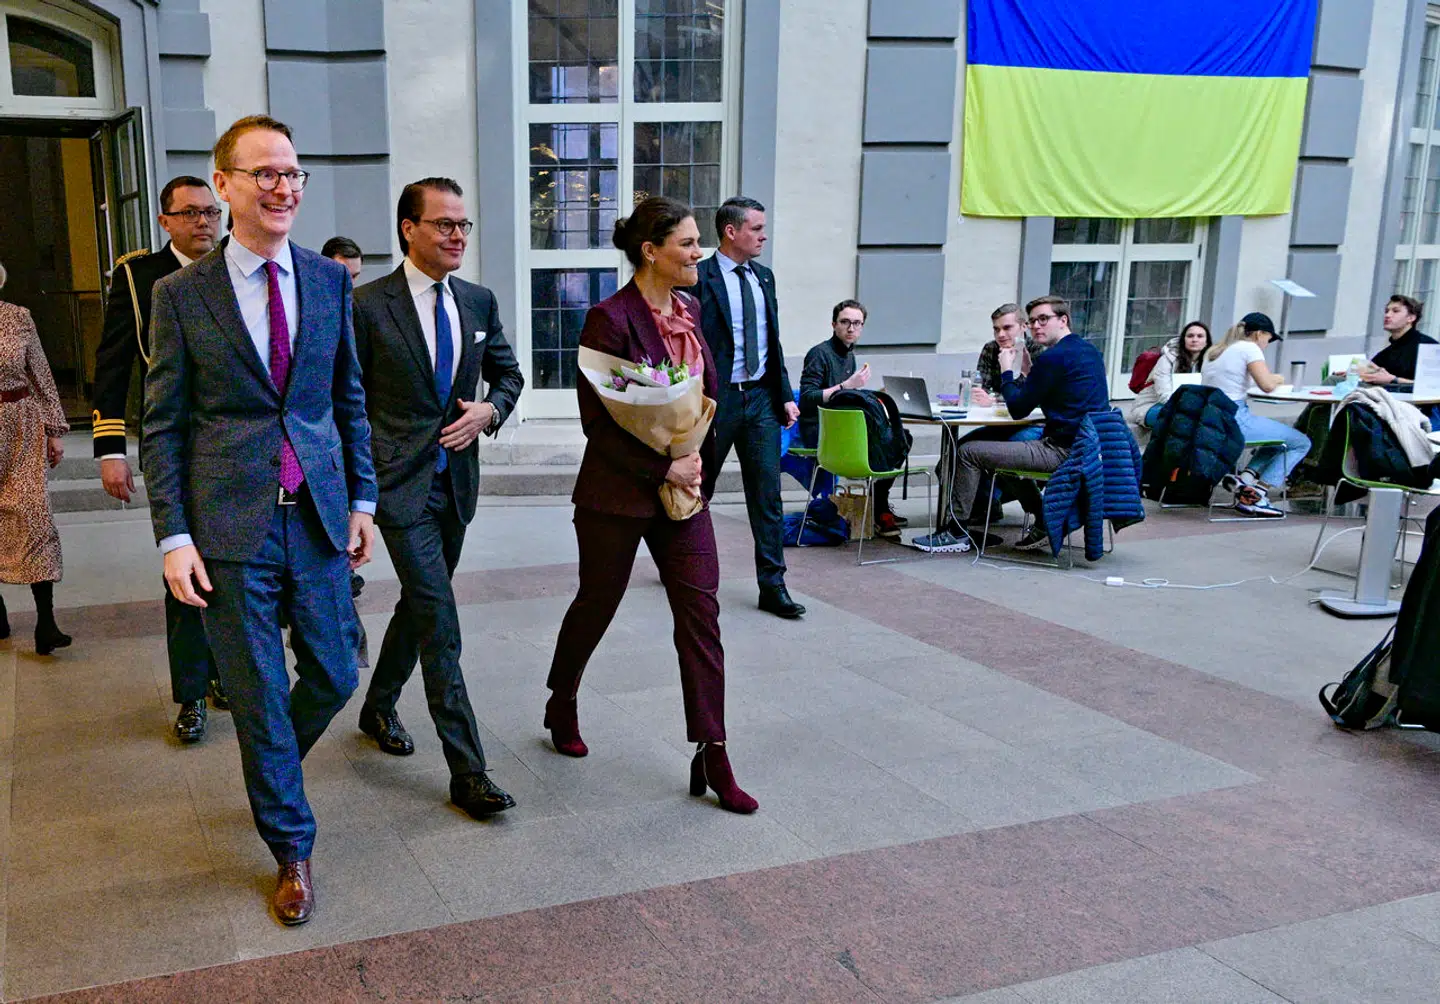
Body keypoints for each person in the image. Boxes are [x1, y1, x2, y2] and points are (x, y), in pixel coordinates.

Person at [143, 115, 378, 926]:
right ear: (224, 184)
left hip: (315, 515)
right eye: (265, 173)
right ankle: (291, 848)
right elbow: (163, 424)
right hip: (229, 528)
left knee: (337, 672)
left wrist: (362, 500)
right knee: (258, 691)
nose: (284, 188)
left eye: (293, 173)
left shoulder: (328, 281)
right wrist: (174, 536)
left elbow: (346, 400)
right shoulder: (180, 295)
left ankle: (271, 759)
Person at [545, 196, 756, 815]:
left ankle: (713, 750)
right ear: (651, 251)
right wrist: (664, 464)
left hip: (685, 494)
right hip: (618, 495)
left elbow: (703, 396)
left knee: (701, 616)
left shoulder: (691, 309)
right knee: (597, 603)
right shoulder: (608, 320)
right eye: (687, 243)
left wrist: (692, 466)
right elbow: (599, 422)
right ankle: (563, 696)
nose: (698, 253)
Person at [352, 178, 522, 819]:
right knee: (440, 618)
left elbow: (509, 374)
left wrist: (489, 410)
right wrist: (356, 492)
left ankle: (377, 705)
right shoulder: (366, 305)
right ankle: (468, 771)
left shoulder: (477, 301)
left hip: (456, 483)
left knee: (422, 605)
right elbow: (346, 401)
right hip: (397, 487)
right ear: (409, 229)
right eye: (444, 224)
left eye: (463, 225)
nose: (457, 236)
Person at [92, 175, 226, 742]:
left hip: (236, 447)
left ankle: (223, 671)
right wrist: (111, 449)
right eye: (189, 213)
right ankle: (192, 692)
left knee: (235, 567)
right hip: (176, 444)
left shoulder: (237, 268)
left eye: (210, 212)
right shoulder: (140, 276)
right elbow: (113, 364)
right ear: (165, 221)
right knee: (185, 565)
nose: (203, 222)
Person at [915, 295, 1110, 553]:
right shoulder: (1088, 351)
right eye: (1034, 320)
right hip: (1087, 447)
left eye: (1044, 319)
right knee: (1006, 450)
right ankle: (1041, 517)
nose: (1037, 326)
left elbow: (1018, 409)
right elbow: (1055, 393)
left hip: (1062, 449)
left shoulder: (1052, 357)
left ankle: (956, 532)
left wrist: (1007, 371)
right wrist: (1029, 374)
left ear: (1063, 320)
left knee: (967, 452)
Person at [688, 197, 803, 620]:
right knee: (699, 489)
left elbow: (773, 341)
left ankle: (773, 586)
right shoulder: (699, 278)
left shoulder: (764, 278)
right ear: (731, 231)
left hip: (761, 401)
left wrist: (785, 395)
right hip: (717, 402)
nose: (763, 236)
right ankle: (684, 568)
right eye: (756, 229)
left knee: (767, 495)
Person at [0, 260, 72, 655]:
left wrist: (54, 430)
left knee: (34, 512)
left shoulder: (19, 317)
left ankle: (47, 622)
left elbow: (41, 373)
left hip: (21, 424)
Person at [797, 299, 904, 537]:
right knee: (884, 442)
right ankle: (879, 510)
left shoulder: (849, 355)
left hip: (843, 426)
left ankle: (879, 503)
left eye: (857, 323)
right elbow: (807, 398)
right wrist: (847, 385)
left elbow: (845, 398)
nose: (851, 328)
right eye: (845, 322)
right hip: (821, 428)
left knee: (901, 438)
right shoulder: (820, 354)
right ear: (834, 324)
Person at [1201, 311, 1310, 517]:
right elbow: (1267, 385)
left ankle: (1246, 479)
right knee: (1301, 442)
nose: (1267, 345)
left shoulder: (1217, 351)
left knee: (1277, 439)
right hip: (1235, 420)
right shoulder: (1249, 348)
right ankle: (1258, 495)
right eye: (1268, 339)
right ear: (1259, 334)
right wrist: (1278, 378)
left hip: (1212, 419)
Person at [1129, 321, 1211, 433]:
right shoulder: (1167, 359)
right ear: (1183, 339)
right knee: (1184, 419)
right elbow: (1164, 395)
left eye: (1200, 336)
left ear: (1207, 341)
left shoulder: (1210, 362)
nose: (1194, 339)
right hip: (1152, 406)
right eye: (1190, 336)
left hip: (1191, 410)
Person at [1363, 294, 1436, 387]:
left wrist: (1394, 380)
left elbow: (1433, 385)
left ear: (1411, 318)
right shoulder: (1386, 352)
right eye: (1386, 311)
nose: (1387, 315)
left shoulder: (1428, 346)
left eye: (1395, 311)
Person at [973, 303, 1043, 398]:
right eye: (996, 329)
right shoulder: (990, 348)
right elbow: (982, 389)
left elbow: (1035, 394)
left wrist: (994, 399)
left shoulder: (1037, 348)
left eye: (1007, 328)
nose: (1000, 334)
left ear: (1024, 326)